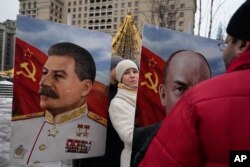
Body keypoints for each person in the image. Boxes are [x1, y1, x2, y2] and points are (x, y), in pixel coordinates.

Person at [139, 0, 250, 166]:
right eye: (181, 88)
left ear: (242, 45)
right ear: (162, 94)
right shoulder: (141, 138)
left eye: (227, 43)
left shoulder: (201, 104)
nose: (224, 50)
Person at [10, 42, 107, 166]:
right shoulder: (20, 125)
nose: (43, 82)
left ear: (85, 88)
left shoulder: (100, 132)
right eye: (45, 73)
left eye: (58, 76)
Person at [131, 50, 211, 166]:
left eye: (201, 90)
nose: (193, 102)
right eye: (180, 89)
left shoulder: (223, 148)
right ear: (163, 95)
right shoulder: (134, 142)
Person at [72, 55, 124, 167]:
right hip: (93, 148)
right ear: (111, 69)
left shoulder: (123, 93)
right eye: (119, 67)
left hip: (114, 148)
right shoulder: (98, 92)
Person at [109, 59, 139, 167]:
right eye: (126, 73)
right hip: (134, 159)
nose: (132, 75)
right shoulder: (117, 103)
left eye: (135, 71)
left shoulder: (146, 98)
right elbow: (129, 137)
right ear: (120, 78)